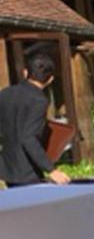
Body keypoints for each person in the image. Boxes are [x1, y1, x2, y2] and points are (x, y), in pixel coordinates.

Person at [0, 53, 69, 187]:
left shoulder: (6, 93)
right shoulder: (39, 100)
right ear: (50, 79)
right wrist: (51, 170)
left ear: (25, 73)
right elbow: (28, 137)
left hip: (7, 166)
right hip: (28, 170)